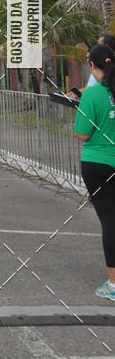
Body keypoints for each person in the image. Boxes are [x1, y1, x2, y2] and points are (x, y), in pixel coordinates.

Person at [74, 43, 115, 300]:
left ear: (92, 66)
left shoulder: (92, 94)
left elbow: (83, 133)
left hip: (97, 164)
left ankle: (113, 283)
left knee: (110, 222)